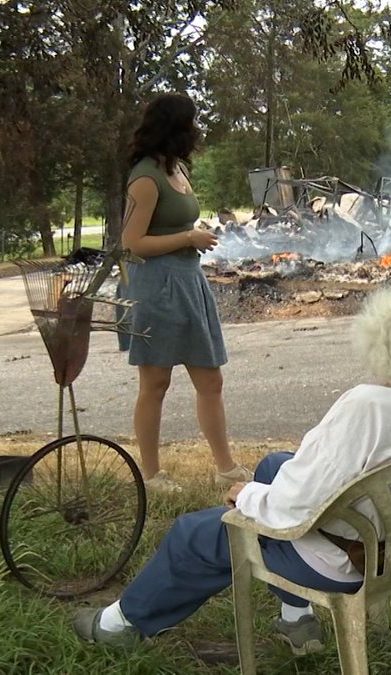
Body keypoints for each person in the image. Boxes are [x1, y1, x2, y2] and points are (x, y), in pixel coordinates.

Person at [72, 281, 391, 654]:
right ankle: (296, 620)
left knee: (194, 535)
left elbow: (295, 509)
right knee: (274, 465)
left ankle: (120, 624)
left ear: (382, 346)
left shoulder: (367, 408)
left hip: (339, 561)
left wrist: (246, 495)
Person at [119, 93, 250, 491]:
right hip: (156, 288)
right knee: (155, 384)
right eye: (192, 124)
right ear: (175, 128)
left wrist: (192, 236)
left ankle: (225, 467)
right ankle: (152, 474)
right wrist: (187, 237)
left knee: (211, 380)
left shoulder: (175, 170)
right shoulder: (146, 177)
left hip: (189, 283)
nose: (197, 131)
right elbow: (131, 243)